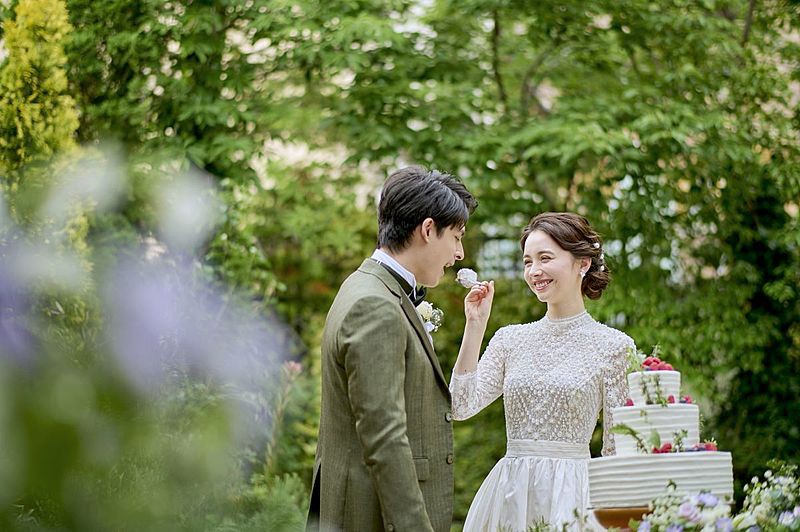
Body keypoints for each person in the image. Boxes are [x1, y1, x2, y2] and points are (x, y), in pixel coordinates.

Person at [307, 166, 478, 532]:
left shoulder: (366, 285)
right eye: (456, 237)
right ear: (428, 230)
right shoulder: (375, 305)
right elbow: (384, 435)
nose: (459, 253)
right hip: (369, 515)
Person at [450, 212, 635, 531]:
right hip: (510, 495)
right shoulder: (509, 340)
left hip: (574, 496)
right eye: (527, 262)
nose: (534, 271)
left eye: (545, 258)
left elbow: (617, 450)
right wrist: (475, 325)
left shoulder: (614, 347)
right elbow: (459, 405)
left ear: (583, 264)